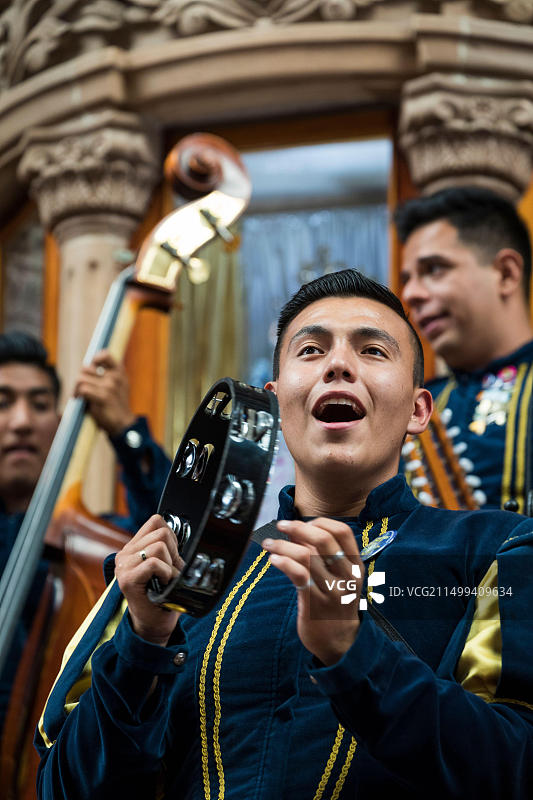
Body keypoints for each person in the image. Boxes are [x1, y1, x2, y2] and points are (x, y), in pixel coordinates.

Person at [36, 270, 533, 799]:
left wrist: (353, 653)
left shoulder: (495, 552)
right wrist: (143, 642)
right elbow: (62, 787)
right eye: (312, 350)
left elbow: (518, 766)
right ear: (273, 403)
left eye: (372, 351)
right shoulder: (172, 572)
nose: (338, 364)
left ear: (417, 410)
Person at [0, 331, 171, 736]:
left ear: (59, 425)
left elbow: (173, 537)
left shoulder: (92, 549)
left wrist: (125, 430)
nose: (23, 421)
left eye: (40, 405)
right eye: (4, 402)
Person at [395, 186, 533, 512]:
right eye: (407, 279)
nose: (411, 293)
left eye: (434, 269)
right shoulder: (411, 408)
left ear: (506, 273)